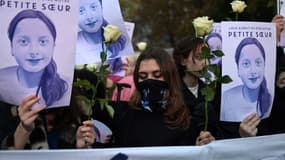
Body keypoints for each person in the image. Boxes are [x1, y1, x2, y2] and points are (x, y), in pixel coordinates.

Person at [93, 47, 215, 147]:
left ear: (169, 77)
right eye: (143, 76)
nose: (150, 80)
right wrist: (84, 144)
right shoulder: (121, 113)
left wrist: (204, 145)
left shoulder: (188, 116)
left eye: (157, 75)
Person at [0, 9, 70, 107]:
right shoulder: (1, 80)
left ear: (53, 46)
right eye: (24, 41)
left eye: (42, 42)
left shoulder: (67, 87)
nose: (33, 51)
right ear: (12, 47)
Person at [172, 37, 222, 139]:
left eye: (207, 58)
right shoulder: (172, 92)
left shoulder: (210, 90)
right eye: (199, 57)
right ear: (183, 61)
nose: (206, 63)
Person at [221, 37, 271, 122]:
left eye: (258, 62)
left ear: (264, 65)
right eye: (246, 64)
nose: (253, 71)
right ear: (238, 69)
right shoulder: (226, 99)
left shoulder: (271, 98)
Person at [76, 0, 127, 75]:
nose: (89, 16)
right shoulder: (70, 44)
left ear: (101, 8)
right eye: (81, 11)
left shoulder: (118, 44)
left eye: (93, 7)